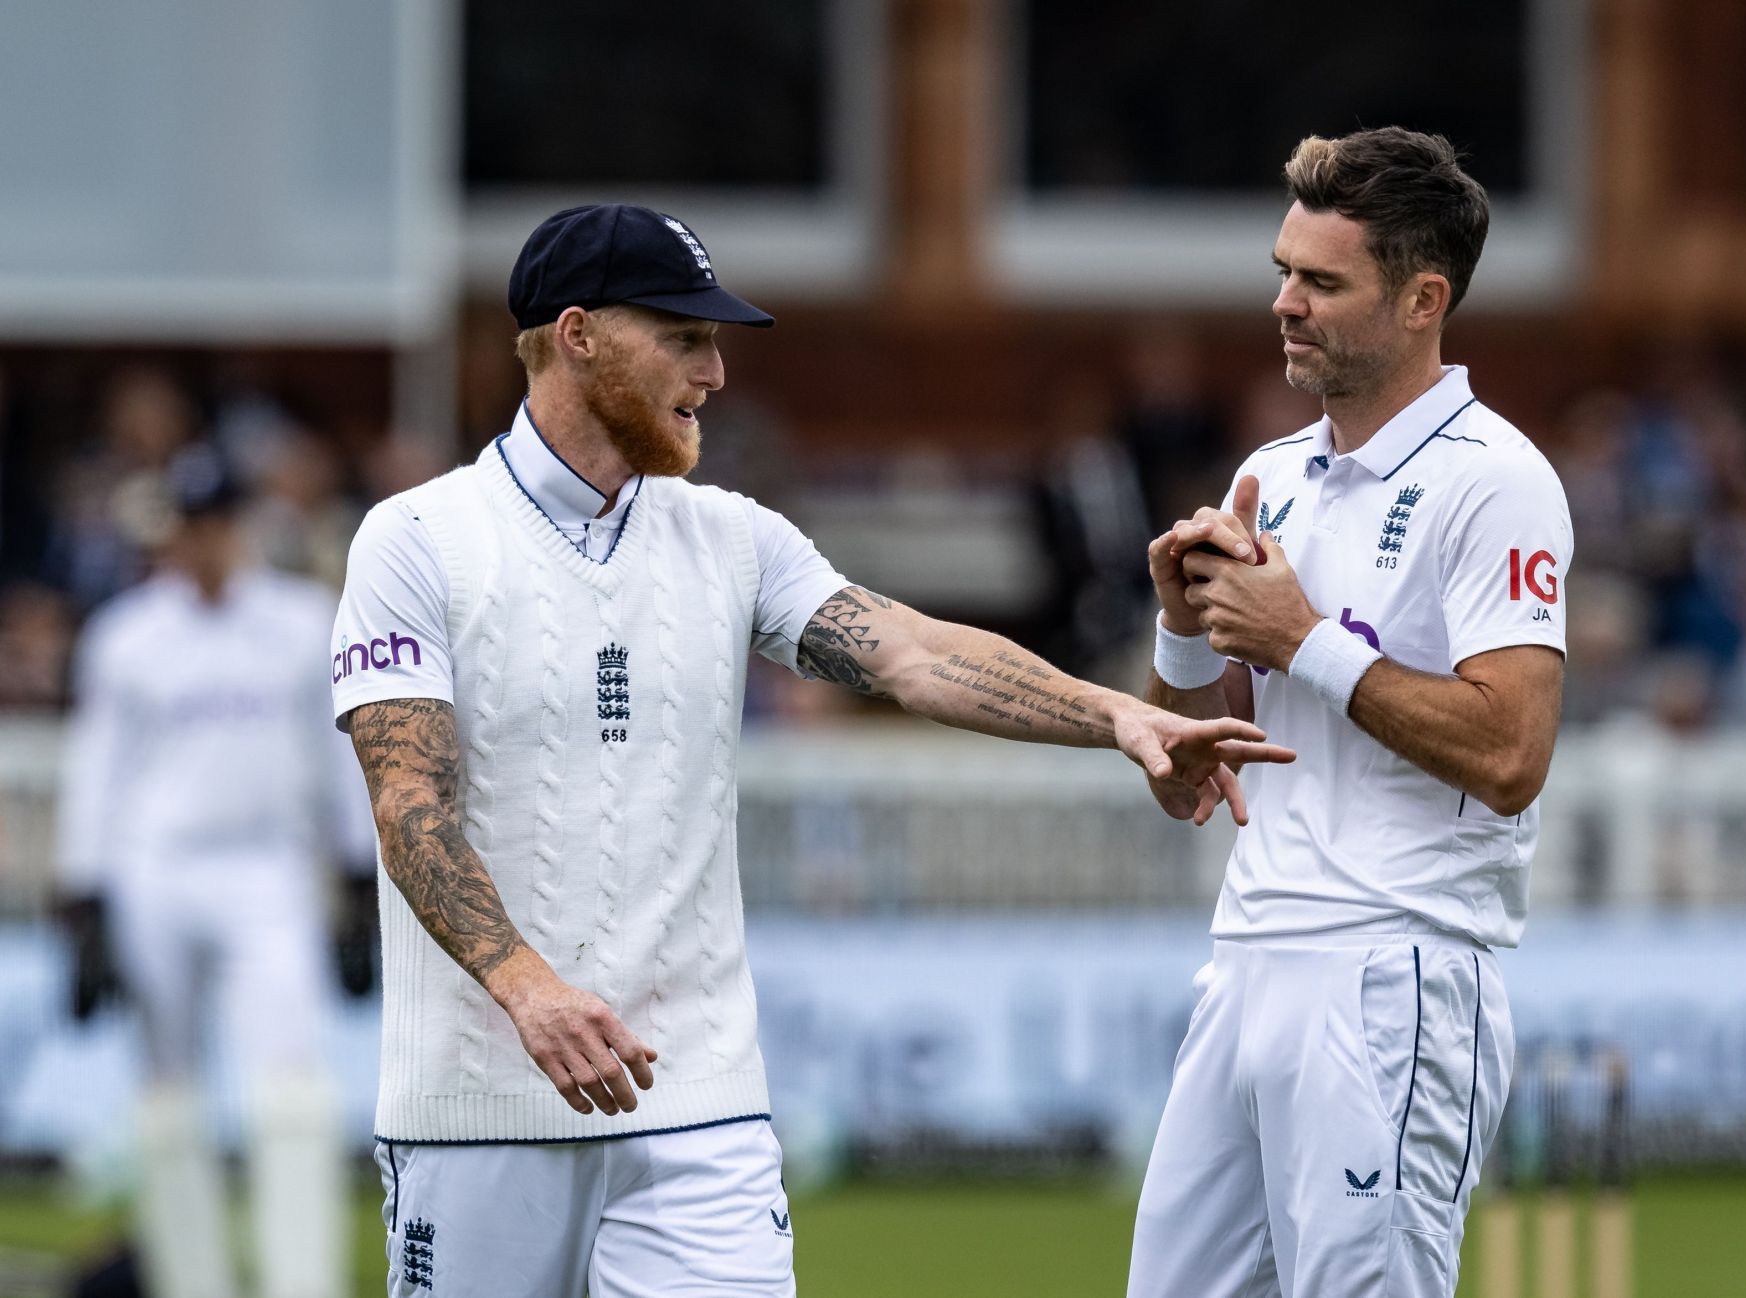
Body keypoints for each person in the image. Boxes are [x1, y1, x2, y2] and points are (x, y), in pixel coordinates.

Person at [332, 202, 1293, 1298]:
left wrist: (1117, 715)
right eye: (685, 338)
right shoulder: (417, 540)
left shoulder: (730, 534)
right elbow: (406, 799)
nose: (717, 372)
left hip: (700, 1105)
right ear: (579, 333)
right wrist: (526, 985)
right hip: (477, 1108)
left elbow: (911, 652)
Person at [1130, 128, 1574, 1297]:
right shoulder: (1274, 473)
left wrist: (1302, 640)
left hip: (1395, 963)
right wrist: (1183, 627)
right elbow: (1189, 777)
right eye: (1284, 270)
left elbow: (1514, 750)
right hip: (1248, 956)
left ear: (1424, 298)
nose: (1285, 303)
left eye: (1322, 282)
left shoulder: (1498, 477)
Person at [57, 444, 377, 1298]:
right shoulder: (127, 635)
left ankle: (300, 1282)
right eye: (190, 526)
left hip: (265, 868)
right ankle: (188, 1279)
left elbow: (334, 757)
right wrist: (85, 897)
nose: (203, 542)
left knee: (291, 1084)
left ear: (240, 525)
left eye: (217, 523)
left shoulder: (303, 623)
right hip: (153, 871)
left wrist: (355, 877)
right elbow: (99, 770)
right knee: (167, 1090)